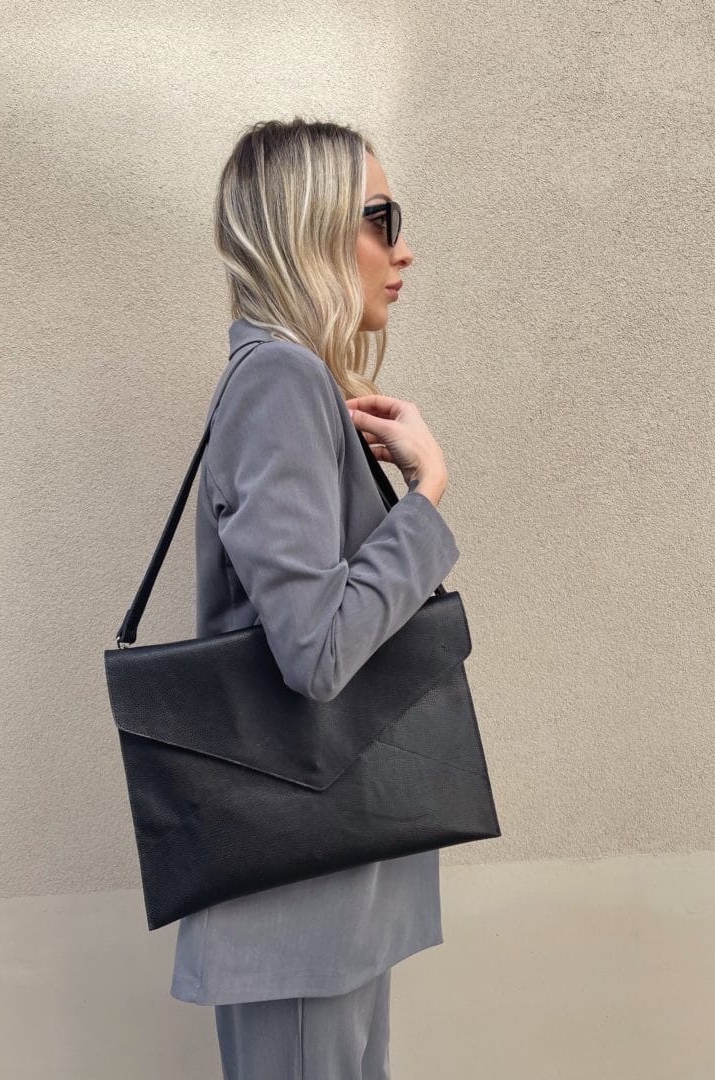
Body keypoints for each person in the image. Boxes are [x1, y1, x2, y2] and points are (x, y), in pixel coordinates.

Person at [169, 117, 461, 1080]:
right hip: (299, 885)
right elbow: (318, 650)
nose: (402, 249)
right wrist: (426, 493)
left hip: (327, 874)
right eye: (381, 219)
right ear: (309, 231)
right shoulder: (281, 382)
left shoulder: (297, 380)